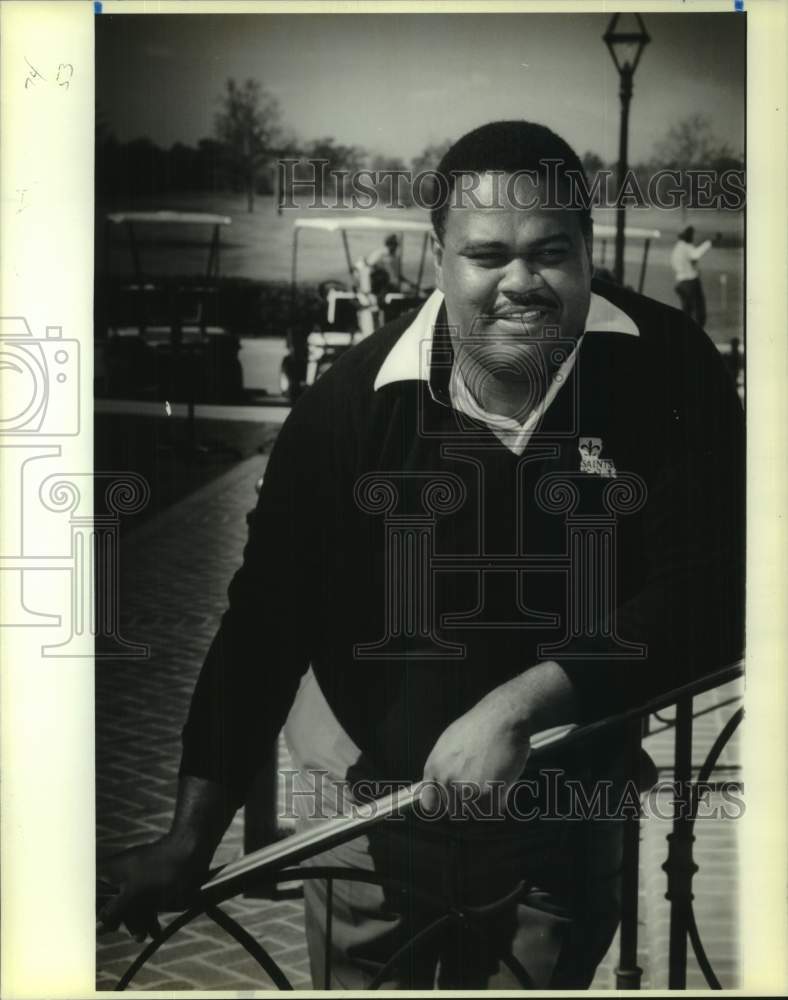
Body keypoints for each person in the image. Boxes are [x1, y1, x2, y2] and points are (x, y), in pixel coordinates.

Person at [98, 121, 744, 989]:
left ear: (592, 250)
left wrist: (520, 707)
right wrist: (188, 840)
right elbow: (264, 628)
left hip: (567, 798)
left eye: (551, 251)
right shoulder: (345, 411)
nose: (520, 282)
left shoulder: (672, 370)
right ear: (438, 256)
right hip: (373, 806)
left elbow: (714, 589)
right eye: (486, 255)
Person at [670, 225, 721, 327]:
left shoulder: (676, 249)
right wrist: (710, 242)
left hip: (680, 283)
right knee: (699, 312)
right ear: (688, 236)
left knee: (687, 311)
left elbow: (674, 264)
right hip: (691, 283)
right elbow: (696, 254)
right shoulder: (687, 247)